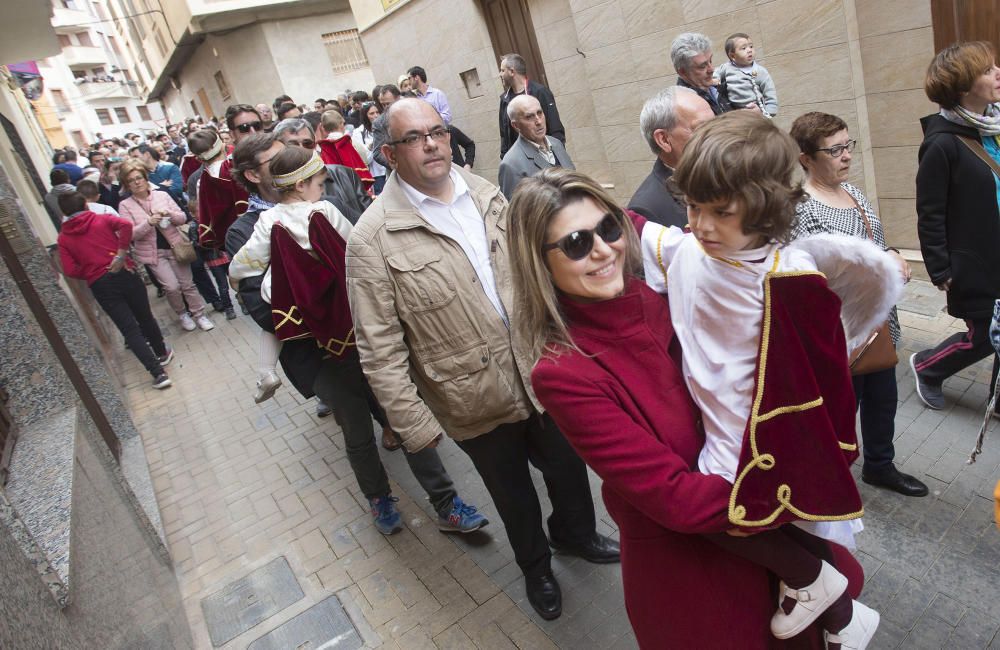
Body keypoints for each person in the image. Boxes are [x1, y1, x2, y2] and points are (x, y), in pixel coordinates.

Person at [509, 168, 868, 648]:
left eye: (609, 229)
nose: (602, 250)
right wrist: (781, 494)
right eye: (576, 243)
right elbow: (671, 495)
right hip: (699, 569)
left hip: (777, 545)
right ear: (539, 262)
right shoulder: (563, 372)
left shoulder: (673, 289)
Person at [345, 98, 618, 621]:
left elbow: (536, 272)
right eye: (414, 138)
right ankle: (536, 568)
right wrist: (413, 423)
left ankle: (577, 535)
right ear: (387, 154)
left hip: (541, 372)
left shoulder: (487, 193)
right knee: (513, 494)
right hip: (472, 397)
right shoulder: (372, 238)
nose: (431, 144)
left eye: (438, 132)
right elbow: (377, 346)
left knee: (568, 465)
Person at [637, 111, 895, 647]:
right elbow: (633, 232)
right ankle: (840, 611)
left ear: (764, 206)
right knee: (780, 522)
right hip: (717, 425)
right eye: (693, 207)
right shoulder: (686, 248)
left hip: (757, 433)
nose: (702, 225)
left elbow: (824, 372)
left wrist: (831, 446)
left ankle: (828, 598)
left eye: (721, 212)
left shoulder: (790, 277)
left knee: (735, 513)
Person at [228, 142, 486, 534]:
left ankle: (447, 502)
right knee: (357, 431)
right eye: (317, 180)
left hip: (364, 336)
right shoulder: (247, 226)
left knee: (403, 415)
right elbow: (260, 300)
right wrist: (315, 309)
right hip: (318, 354)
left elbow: (362, 249)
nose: (323, 185)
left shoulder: (280, 222)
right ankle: (379, 499)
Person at [790, 112, 929, 498]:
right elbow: (818, 274)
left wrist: (893, 253)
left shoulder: (855, 194)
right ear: (806, 158)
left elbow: (874, 245)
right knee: (839, 409)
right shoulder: (801, 207)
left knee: (883, 400)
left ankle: (880, 466)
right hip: (840, 329)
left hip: (878, 323)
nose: (846, 156)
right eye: (834, 150)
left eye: (847, 145)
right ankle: (825, 476)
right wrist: (883, 265)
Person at [911, 41, 1000, 412]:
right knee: (984, 336)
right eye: (986, 70)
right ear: (964, 87)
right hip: (975, 259)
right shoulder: (942, 144)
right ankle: (928, 367)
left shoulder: (994, 125)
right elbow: (930, 212)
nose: (997, 73)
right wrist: (940, 268)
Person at [56, 191, 173, 389]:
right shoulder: (101, 220)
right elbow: (126, 225)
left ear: (64, 212)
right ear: (86, 204)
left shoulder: (63, 238)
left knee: (129, 329)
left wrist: (92, 271)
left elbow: (69, 270)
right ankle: (162, 353)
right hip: (124, 271)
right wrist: (120, 254)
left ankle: (158, 374)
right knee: (144, 316)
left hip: (100, 283)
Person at [118, 160, 215, 333]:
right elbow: (130, 234)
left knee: (187, 284)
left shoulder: (161, 195)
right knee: (171, 287)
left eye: (139, 177)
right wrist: (148, 222)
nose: (137, 182)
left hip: (175, 246)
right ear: (126, 185)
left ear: (145, 178)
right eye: (131, 180)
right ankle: (182, 314)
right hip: (153, 253)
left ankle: (199, 314)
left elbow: (182, 218)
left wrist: (169, 214)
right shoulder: (125, 205)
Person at [628, 87, 715, 227]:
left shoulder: (728, 170)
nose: (717, 135)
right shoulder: (647, 210)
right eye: (703, 129)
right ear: (664, 140)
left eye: (716, 125)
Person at [273, 118, 372, 224]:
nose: (301, 149)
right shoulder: (274, 189)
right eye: (292, 145)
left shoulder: (344, 174)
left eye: (307, 144)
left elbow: (370, 220)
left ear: (315, 145)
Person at [187, 130, 237, 320]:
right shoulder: (237, 166)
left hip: (227, 240)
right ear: (221, 145)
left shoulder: (198, 180)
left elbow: (202, 216)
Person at [499, 95, 575, 198]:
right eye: (529, 117)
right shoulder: (510, 164)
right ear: (516, 125)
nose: (539, 121)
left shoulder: (556, 143)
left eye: (540, 113)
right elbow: (518, 211)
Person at [498, 53, 565, 160]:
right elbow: (504, 135)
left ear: (511, 71)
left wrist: (558, 159)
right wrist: (505, 158)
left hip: (544, 159)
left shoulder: (540, 92)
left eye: (502, 70)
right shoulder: (504, 100)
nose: (500, 74)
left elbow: (556, 129)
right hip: (520, 161)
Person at [714, 33, 778, 117]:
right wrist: (716, 79)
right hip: (733, 109)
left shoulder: (760, 71)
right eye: (743, 48)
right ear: (732, 56)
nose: (749, 50)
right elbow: (716, 72)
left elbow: (769, 92)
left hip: (754, 108)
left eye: (751, 46)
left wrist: (768, 113)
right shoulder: (727, 67)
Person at [671, 32, 729, 115]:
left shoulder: (719, 86)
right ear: (682, 72)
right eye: (702, 66)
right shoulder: (683, 107)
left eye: (710, 61)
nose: (711, 69)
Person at [315, 110, 374, 191]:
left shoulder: (324, 146)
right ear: (341, 124)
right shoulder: (344, 143)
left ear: (324, 128)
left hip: (334, 186)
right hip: (350, 186)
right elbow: (354, 166)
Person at [352, 102, 388, 194]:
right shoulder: (358, 133)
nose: (376, 115)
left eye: (377, 112)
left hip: (388, 170)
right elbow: (364, 159)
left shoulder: (386, 128)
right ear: (365, 116)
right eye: (371, 113)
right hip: (376, 175)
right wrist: (371, 146)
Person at [369, 84, 401, 169]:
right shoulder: (379, 123)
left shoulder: (415, 111)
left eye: (388, 104)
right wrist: (399, 165)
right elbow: (377, 153)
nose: (386, 107)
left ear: (398, 98)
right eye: (383, 105)